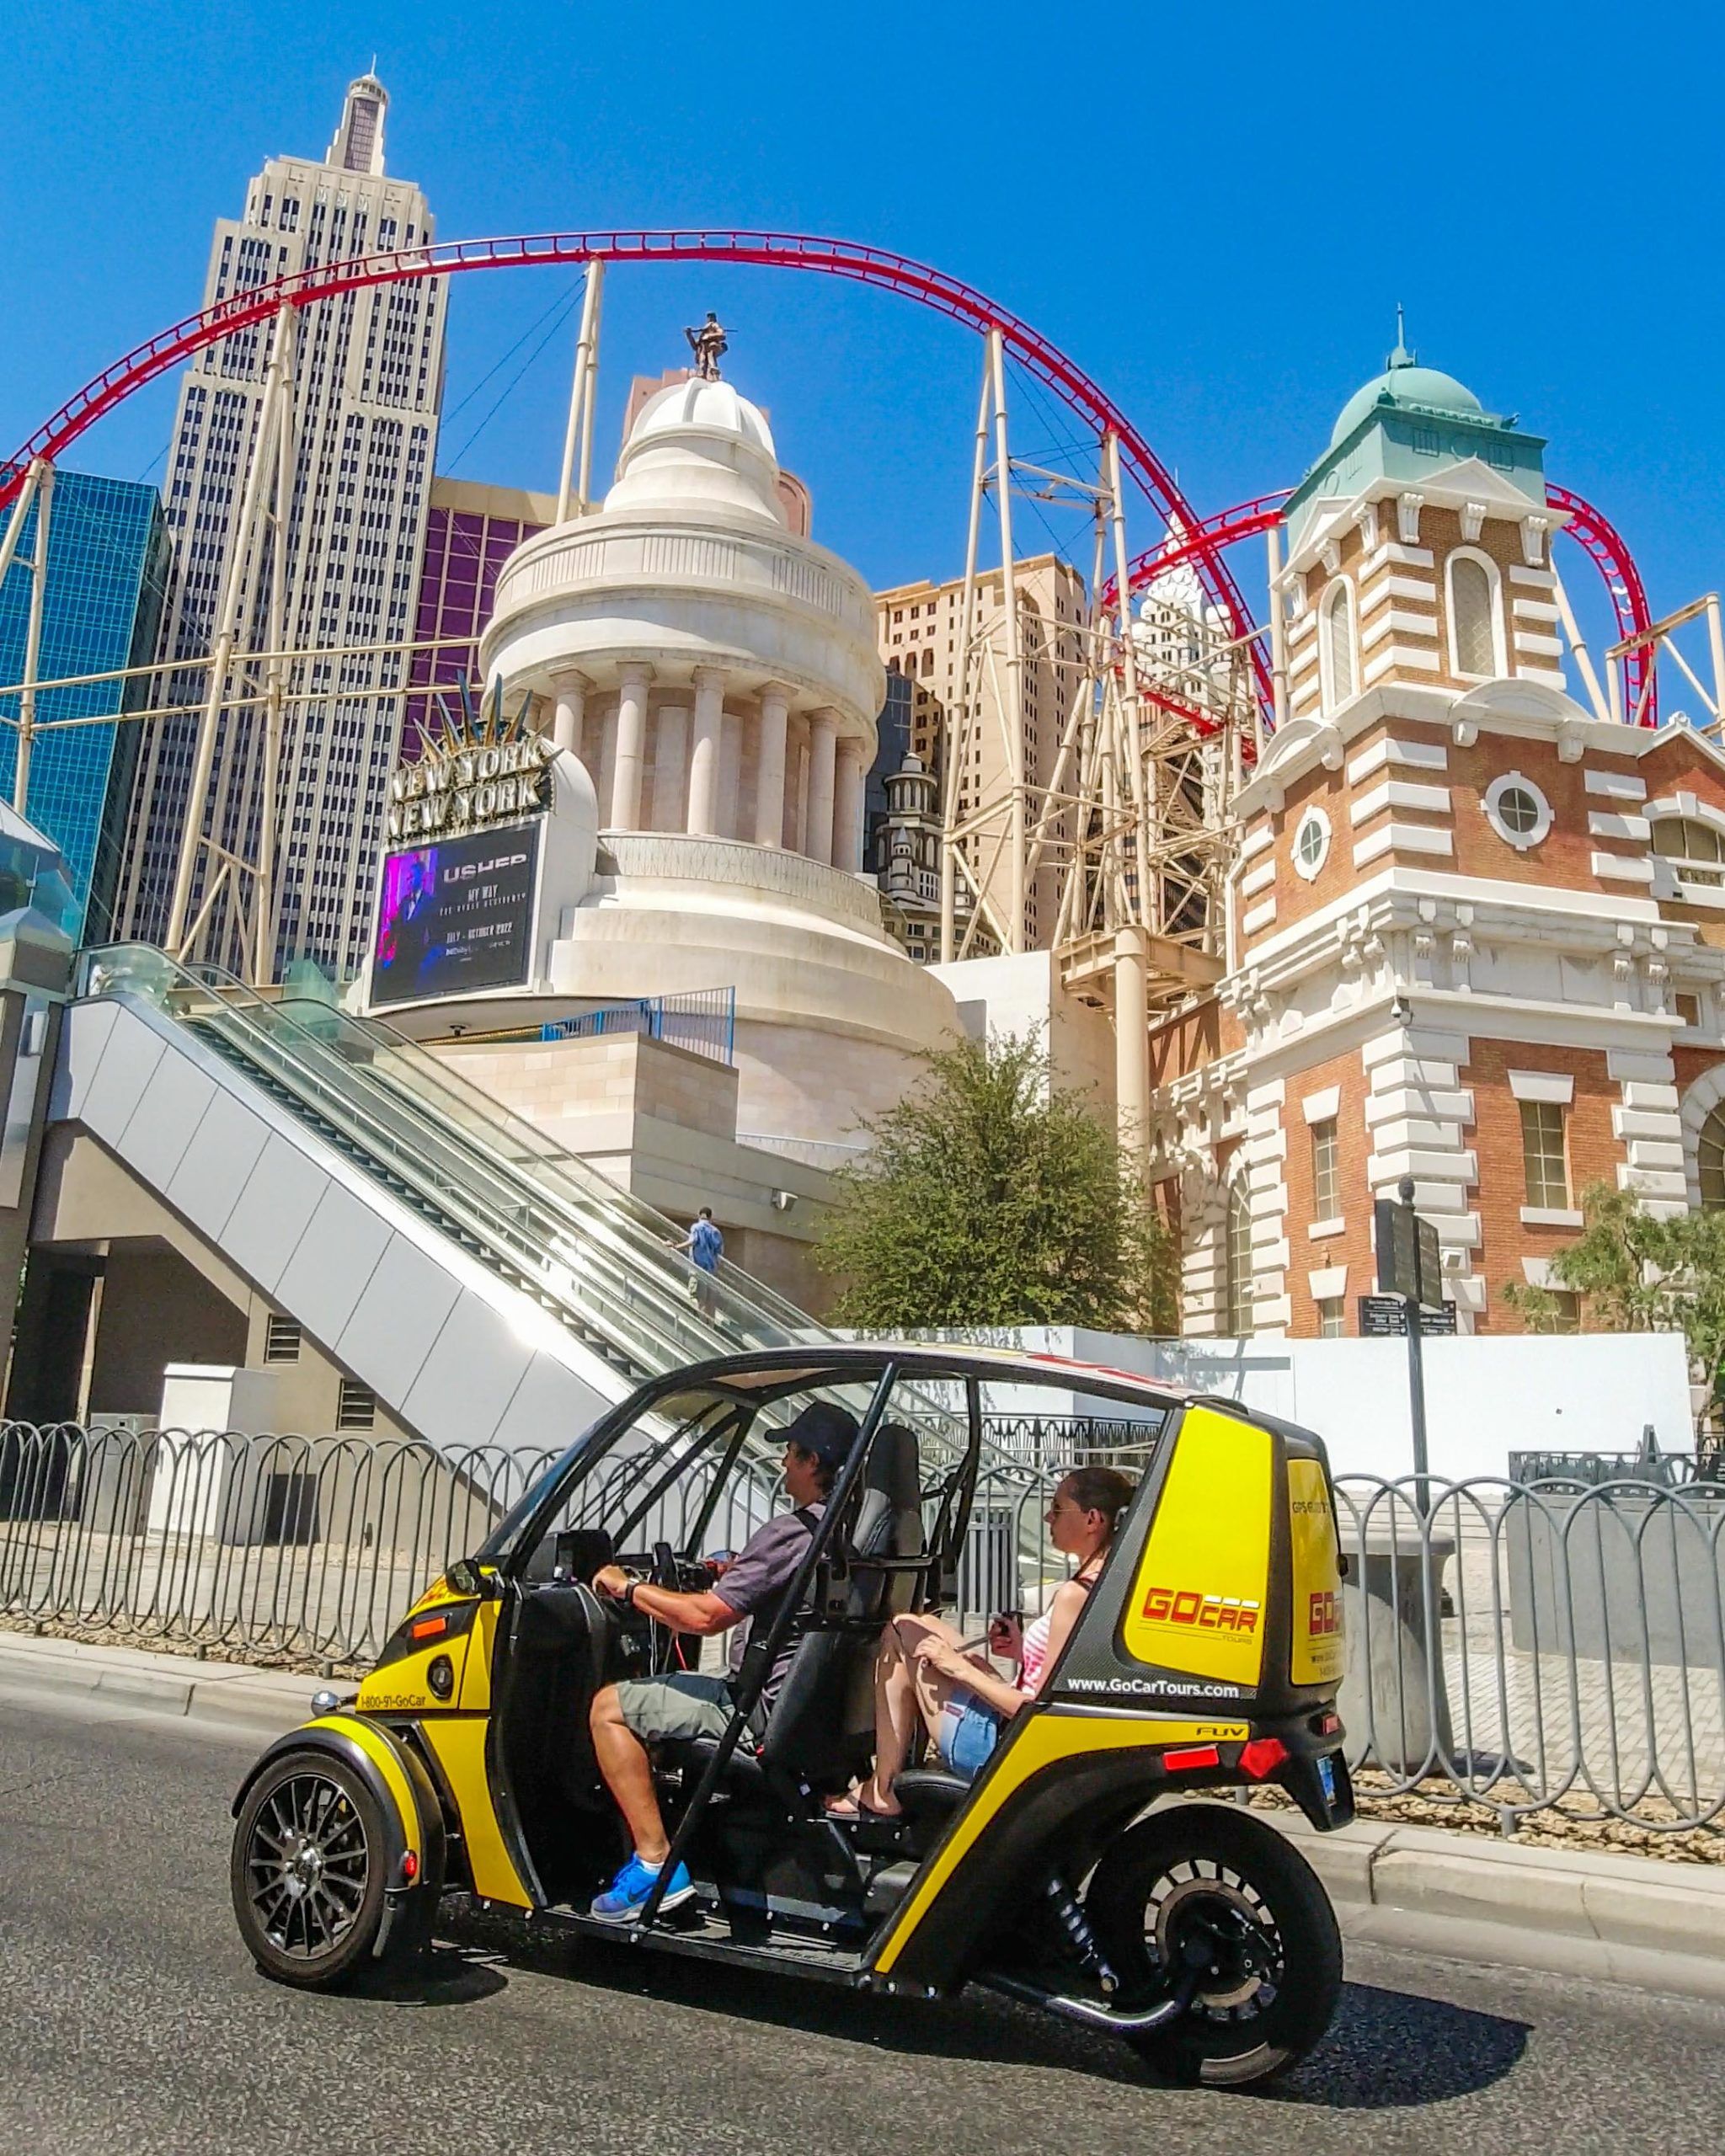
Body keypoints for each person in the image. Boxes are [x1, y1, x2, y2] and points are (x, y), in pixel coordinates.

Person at [585, 1400, 858, 1922]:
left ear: (813, 1462)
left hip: (753, 1712)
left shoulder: (793, 1531)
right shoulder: (853, 1537)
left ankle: (652, 1864)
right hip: (816, 1718)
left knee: (608, 1708)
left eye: (791, 1455)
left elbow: (705, 1618)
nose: (783, 1465)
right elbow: (774, 1590)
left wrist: (629, 1587)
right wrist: (736, 1572)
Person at [829, 1465, 1136, 1817]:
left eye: (1058, 1508)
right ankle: (896, 1773)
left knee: (901, 1630)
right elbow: (1067, 1673)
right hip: (1016, 1735)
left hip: (998, 1747)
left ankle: (883, 1789)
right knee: (925, 1625)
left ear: (1093, 1519)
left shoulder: (1073, 1594)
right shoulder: (1107, 1581)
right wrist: (1021, 1650)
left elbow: (1038, 1709)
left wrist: (960, 1669)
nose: (1049, 1517)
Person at [676, 1206, 724, 1317]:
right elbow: (719, 1252)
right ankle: (710, 1327)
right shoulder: (716, 1232)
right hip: (711, 1271)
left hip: (698, 1269)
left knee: (698, 1299)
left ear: (699, 1215)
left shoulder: (697, 1227)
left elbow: (693, 1241)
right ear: (710, 1217)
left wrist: (677, 1246)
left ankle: (700, 1324)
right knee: (710, 1302)